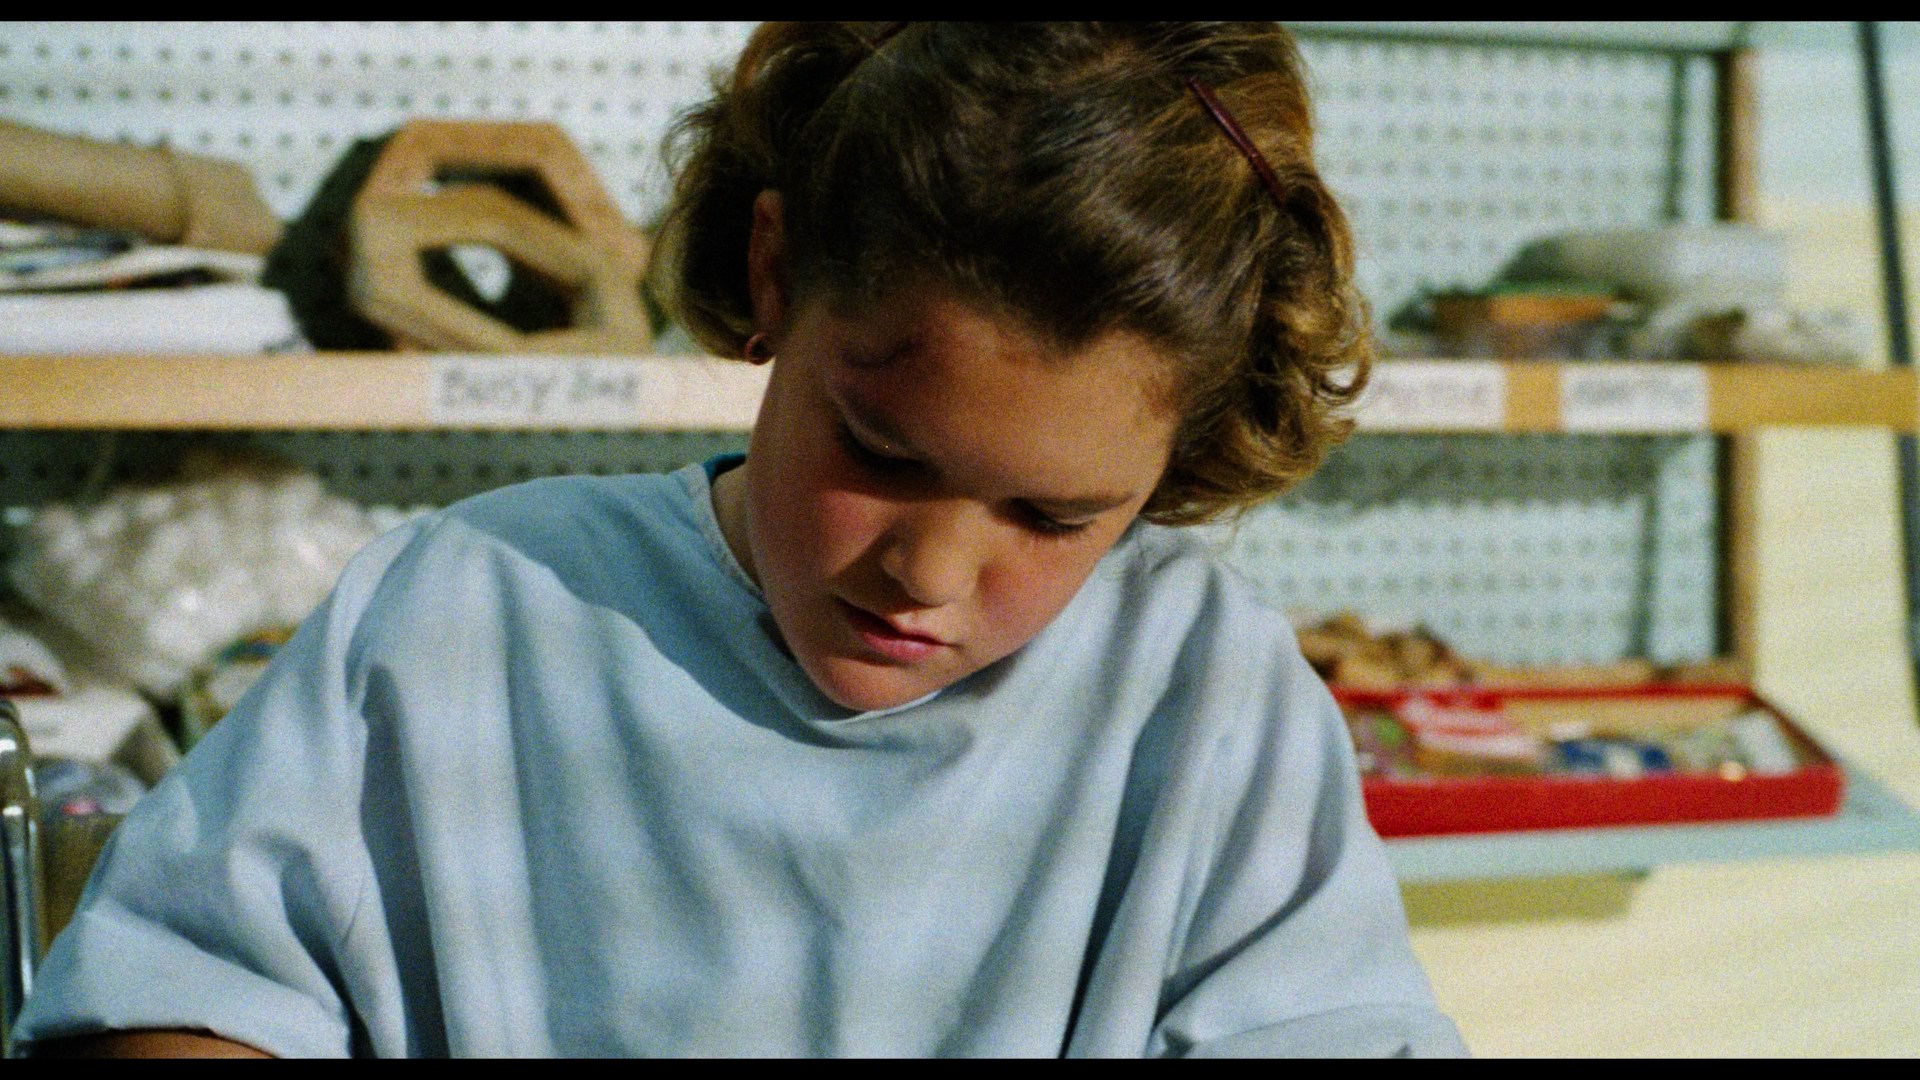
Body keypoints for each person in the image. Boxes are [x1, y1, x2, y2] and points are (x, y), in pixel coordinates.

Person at [16, 22, 1466, 1057]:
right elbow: (171, 999)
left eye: (1052, 517)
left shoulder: (1206, 698)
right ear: (777, 272)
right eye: (881, 452)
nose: (929, 574)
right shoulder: (474, 612)